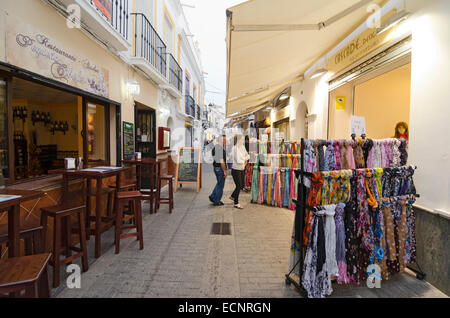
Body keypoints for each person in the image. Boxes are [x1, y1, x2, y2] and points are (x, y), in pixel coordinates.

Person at [230, 134, 250, 209]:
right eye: (242, 139)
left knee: (241, 186)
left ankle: (232, 196)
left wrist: (243, 158)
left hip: (242, 169)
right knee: (238, 186)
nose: (243, 141)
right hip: (236, 170)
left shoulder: (242, 147)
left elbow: (248, 156)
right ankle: (236, 203)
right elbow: (238, 160)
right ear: (238, 140)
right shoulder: (235, 148)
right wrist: (244, 158)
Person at [209, 135, 227, 206]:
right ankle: (217, 201)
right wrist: (225, 171)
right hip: (219, 169)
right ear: (220, 140)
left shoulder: (215, 147)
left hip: (216, 168)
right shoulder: (219, 148)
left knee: (219, 183)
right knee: (220, 186)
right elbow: (221, 161)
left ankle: (212, 196)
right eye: (224, 140)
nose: (226, 141)